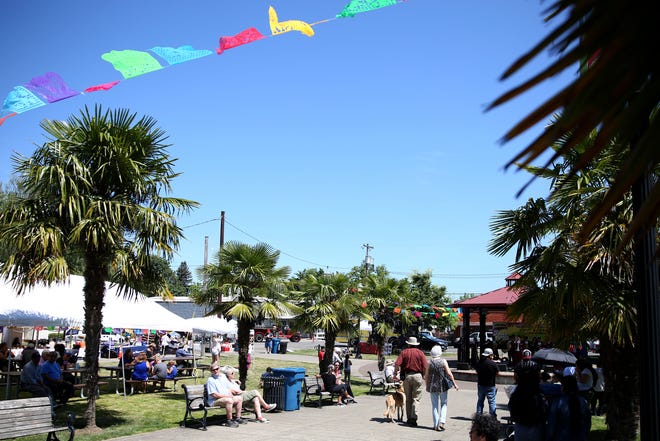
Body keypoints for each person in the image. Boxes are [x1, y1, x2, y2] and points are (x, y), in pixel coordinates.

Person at [508, 358, 546, 440]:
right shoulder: (540, 394)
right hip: (536, 430)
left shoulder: (516, 394)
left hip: (521, 430)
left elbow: (512, 413)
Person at [394, 336, 428, 427]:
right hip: (418, 376)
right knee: (416, 398)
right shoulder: (420, 353)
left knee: (408, 398)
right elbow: (425, 366)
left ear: (408, 344)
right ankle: (414, 418)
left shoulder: (404, 352)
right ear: (416, 344)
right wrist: (424, 375)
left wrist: (395, 374)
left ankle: (409, 418)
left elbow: (397, 364)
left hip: (407, 376)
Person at [546, 375, 591, 440]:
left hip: (561, 437)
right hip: (580, 436)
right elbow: (587, 422)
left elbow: (552, 423)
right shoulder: (583, 401)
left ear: (564, 387)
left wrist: (549, 437)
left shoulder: (558, 402)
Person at [425, 345, 459, 431]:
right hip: (443, 386)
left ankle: (436, 424)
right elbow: (449, 373)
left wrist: (427, 385)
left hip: (432, 386)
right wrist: (454, 383)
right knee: (444, 404)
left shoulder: (429, 362)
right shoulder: (443, 361)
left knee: (434, 405)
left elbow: (426, 375)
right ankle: (442, 422)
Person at [206, 363, 244, 428]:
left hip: (225, 398)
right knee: (229, 400)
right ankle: (229, 421)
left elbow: (228, 387)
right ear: (211, 371)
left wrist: (231, 394)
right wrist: (227, 397)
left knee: (239, 398)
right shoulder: (210, 380)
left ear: (219, 369)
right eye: (213, 370)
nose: (215, 371)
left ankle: (238, 418)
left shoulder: (223, 377)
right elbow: (214, 394)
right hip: (214, 401)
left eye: (217, 369)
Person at [475, 347, 499, 418]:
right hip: (490, 385)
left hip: (481, 384)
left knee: (480, 401)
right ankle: (492, 416)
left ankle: (478, 416)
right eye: (492, 355)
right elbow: (497, 373)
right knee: (491, 401)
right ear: (490, 355)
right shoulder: (492, 363)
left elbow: (476, 371)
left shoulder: (479, 362)